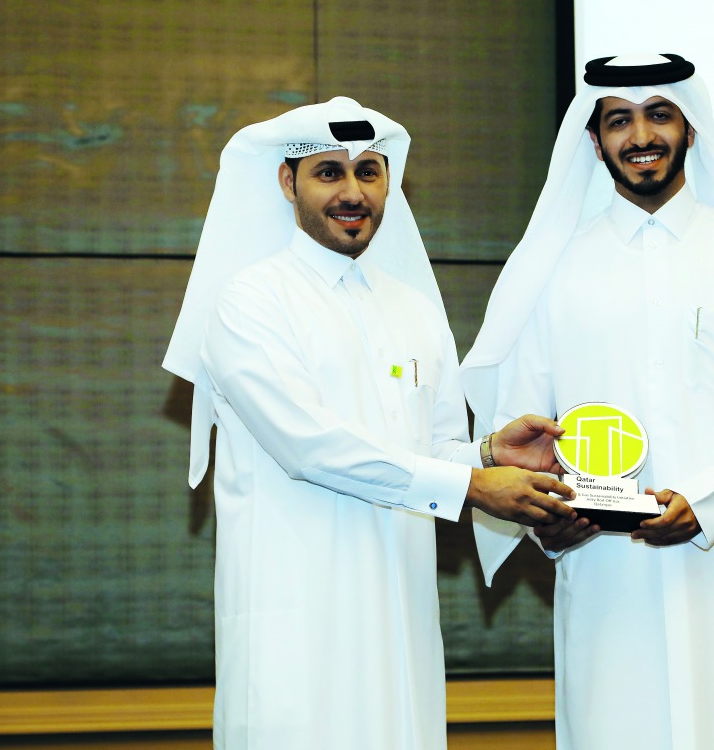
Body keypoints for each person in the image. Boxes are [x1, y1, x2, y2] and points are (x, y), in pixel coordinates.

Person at [162, 97, 577, 750]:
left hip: (398, 614)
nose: (352, 192)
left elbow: (430, 447)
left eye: (369, 173)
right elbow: (308, 447)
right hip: (297, 616)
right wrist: (472, 487)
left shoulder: (412, 308)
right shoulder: (249, 301)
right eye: (329, 172)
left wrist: (490, 452)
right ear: (287, 182)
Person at [461, 54, 714, 749]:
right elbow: (525, 428)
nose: (641, 135)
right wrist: (548, 521)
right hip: (609, 569)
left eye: (659, 113)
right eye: (619, 120)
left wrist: (707, 498)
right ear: (595, 142)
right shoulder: (555, 268)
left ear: (690, 129)